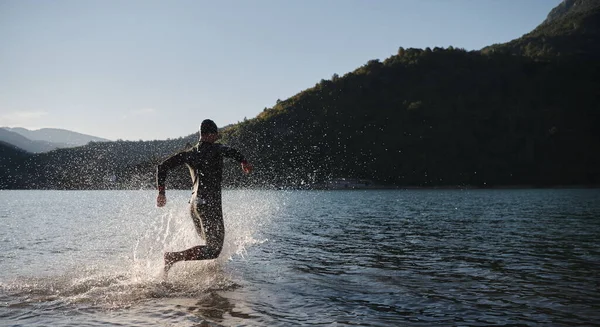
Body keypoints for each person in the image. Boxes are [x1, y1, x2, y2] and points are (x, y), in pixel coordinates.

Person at [156, 119, 252, 274]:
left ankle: (206, 272)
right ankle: (173, 257)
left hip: (194, 206)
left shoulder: (189, 154)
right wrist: (244, 162)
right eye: (215, 135)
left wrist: (161, 192)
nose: (217, 138)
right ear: (209, 134)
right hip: (209, 204)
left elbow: (162, 167)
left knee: (209, 243)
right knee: (214, 250)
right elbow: (233, 152)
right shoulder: (217, 149)